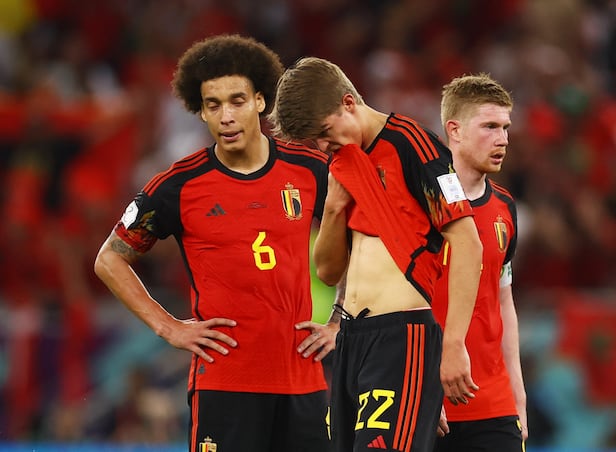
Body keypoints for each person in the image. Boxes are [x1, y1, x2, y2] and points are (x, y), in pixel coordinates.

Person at [94, 35, 336, 452]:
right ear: (201, 110)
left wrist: (340, 321)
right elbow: (109, 260)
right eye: (213, 105)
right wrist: (168, 326)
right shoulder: (178, 185)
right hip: (225, 384)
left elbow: (367, 235)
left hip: (304, 384)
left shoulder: (310, 169)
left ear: (260, 101)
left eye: (237, 101)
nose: (226, 116)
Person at [268, 56, 483, 452]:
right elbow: (328, 271)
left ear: (349, 103)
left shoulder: (412, 144)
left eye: (324, 132)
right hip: (351, 340)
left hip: (402, 337)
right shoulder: (342, 164)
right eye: (314, 141)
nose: (323, 146)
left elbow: (469, 243)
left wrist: (453, 346)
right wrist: (333, 208)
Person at [432, 73, 528, 451]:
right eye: (489, 126)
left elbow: (503, 300)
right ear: (454, 130)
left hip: (493, 404)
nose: (503, 139)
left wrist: (518, 393)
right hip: (428, 399)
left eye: (505, 128)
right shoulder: (417, 204)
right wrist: (416, 388)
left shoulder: (505, 207)